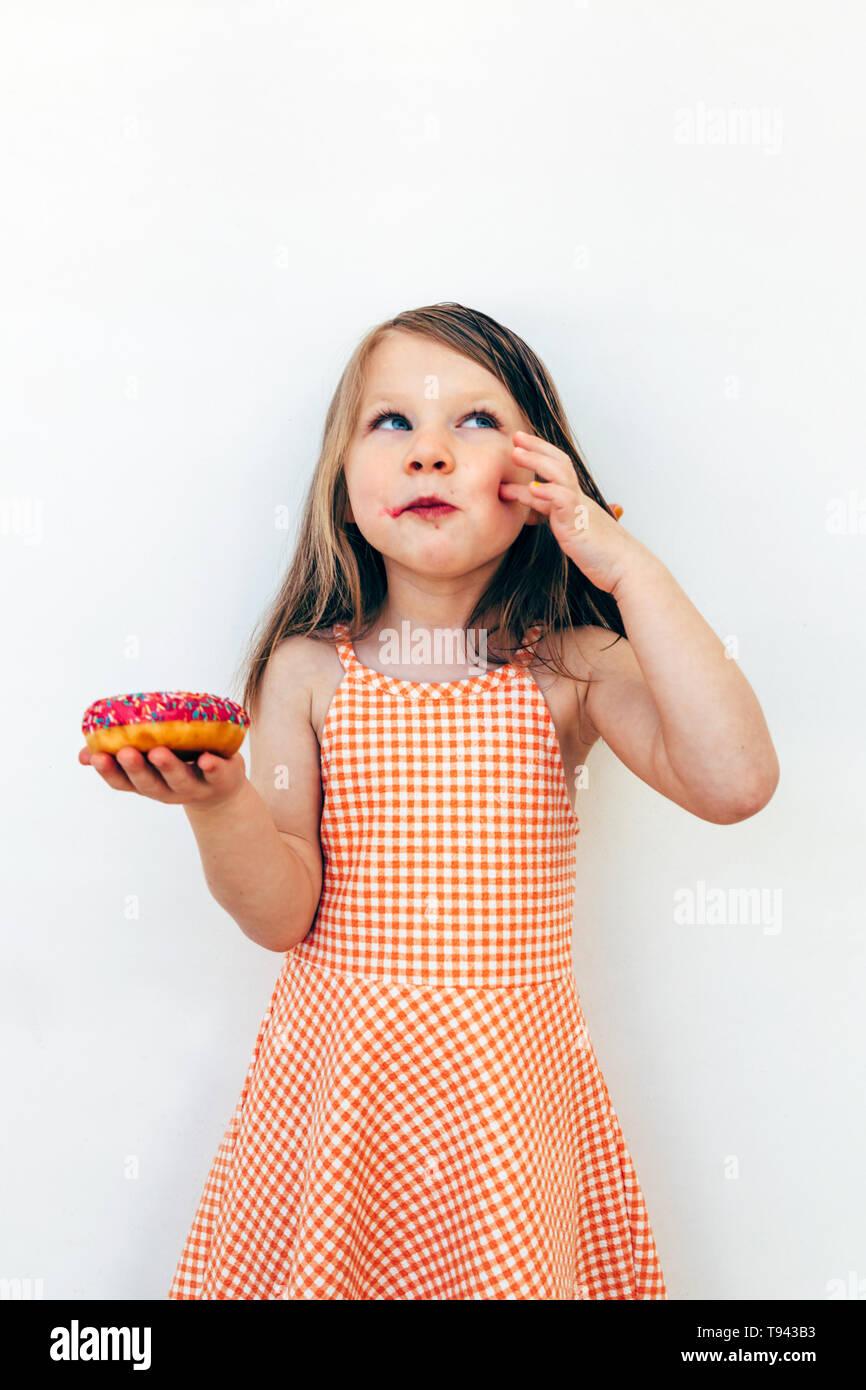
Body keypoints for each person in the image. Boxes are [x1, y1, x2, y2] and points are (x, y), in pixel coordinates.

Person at [81, 302, 779, 1299]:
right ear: (340, 481)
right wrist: (219, 799)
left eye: (475, 421)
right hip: (344, 1103)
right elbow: (281, 912)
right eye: (392, 422)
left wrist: (617, 560)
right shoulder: (308, 673)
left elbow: (734, 782)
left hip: (505, 1104)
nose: (428, 454)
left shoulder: (571, 667)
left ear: (541, 474)